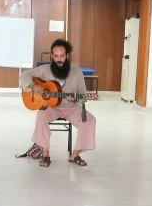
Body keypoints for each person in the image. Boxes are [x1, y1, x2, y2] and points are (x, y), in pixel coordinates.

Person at [19, 39, 96, 168]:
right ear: (51, 56)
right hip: (51, 107)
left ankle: (75, 154)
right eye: (56, 56)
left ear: (67, 56)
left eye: (62, 56)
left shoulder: (77, 72)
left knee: (90, 120)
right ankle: (45, 154)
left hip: (71, 108)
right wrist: (33, 86)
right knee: (41, 115)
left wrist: (76, 99)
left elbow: (83, 94)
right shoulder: (44, 69)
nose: (59, 59)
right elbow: (24, 75)